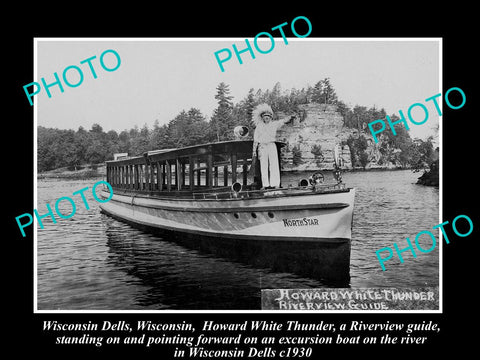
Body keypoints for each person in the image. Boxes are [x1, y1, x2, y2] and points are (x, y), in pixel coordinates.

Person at [251, 103, 295, 189]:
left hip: (271, 145)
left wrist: (291, 117)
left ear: (271, 117)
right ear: (262, 117)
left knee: (274, 165)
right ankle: (265, 185)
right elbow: (255, 139)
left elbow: (283, 121)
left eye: (268, 116)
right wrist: (254, 151)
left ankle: (275, 184)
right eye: (265, 116)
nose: (266, 118)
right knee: (263, 166)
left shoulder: (274, 124)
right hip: (262, 146)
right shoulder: (259, 126)